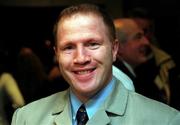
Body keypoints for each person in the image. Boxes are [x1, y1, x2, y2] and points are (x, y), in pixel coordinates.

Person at [11, 3, 180, 125]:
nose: (81, 58)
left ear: (114, 50)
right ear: (57, 54)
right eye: (68, 47)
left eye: (92, 44)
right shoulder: (26, 118)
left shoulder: (165, 120)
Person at [126, 7, 177, 105]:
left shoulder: (165, 62)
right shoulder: (118, 68)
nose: (143, 39)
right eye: (137, 35)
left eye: (145, 32)